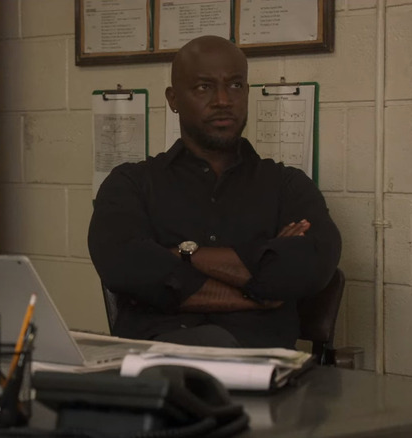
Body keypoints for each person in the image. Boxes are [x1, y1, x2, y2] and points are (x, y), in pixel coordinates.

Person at [88, 35, 342, 349]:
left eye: (235, 85)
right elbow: (125, 264)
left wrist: (183, 255)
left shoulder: (288, 185)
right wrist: (260, 294)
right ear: (173, 99)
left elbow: (310, 266)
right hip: (159, 368)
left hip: (263, 371)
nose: (223, 99)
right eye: (204, 87)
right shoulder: (130, 184)